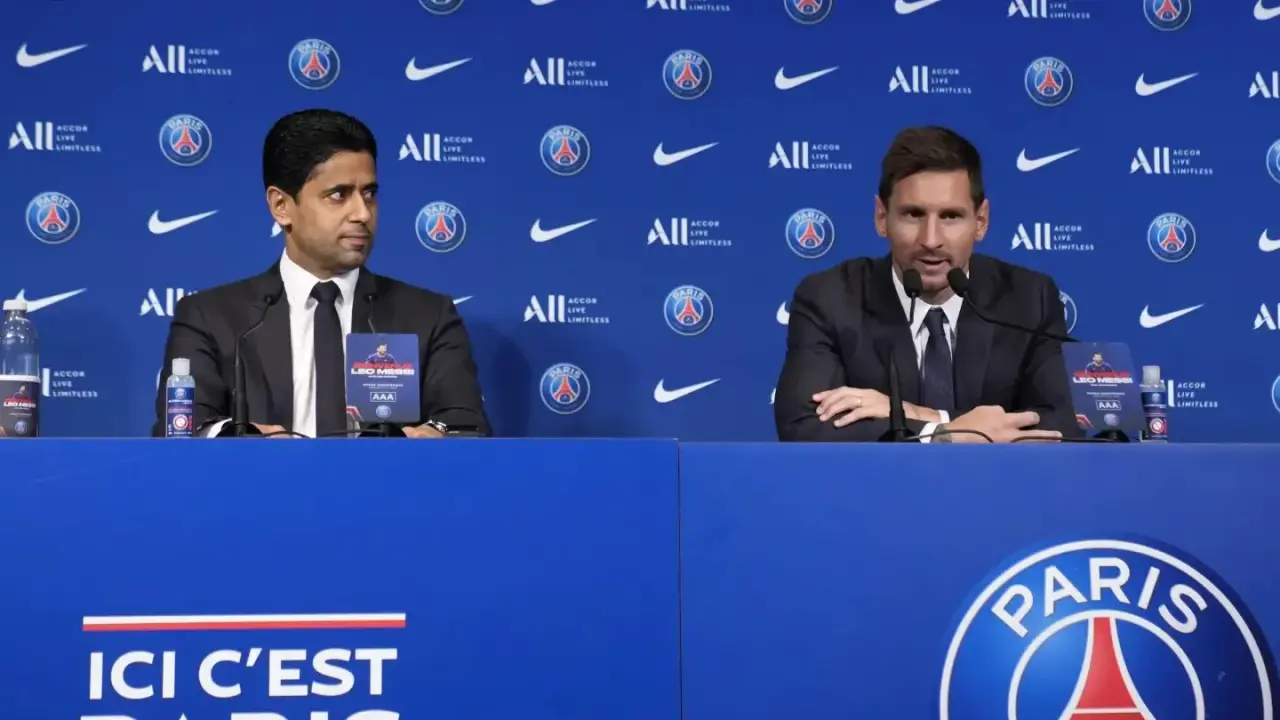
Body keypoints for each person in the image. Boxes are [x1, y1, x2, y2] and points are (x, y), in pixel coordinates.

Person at [151, 109, 490, 438]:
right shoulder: (212, 318)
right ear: (281, 206)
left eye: (369, 194)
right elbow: (182, 431)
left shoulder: (426, 316)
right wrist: (243, 441)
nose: (362, 213)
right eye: (338, 195)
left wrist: (436, 436)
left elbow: (466, 426)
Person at [774, 126, 1080, 444]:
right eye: (913, 214)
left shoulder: (1029, 299)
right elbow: (803, 427)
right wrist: (945, 433)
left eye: (950, 217)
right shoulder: (830, 299)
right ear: (882, 217)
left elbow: (1066, 424)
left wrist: (924, 418)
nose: (931, 240)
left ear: (981, 221)